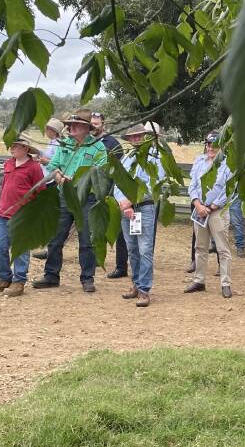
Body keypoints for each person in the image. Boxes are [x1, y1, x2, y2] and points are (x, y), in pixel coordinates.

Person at [31, 109, 106, 293]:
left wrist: (80, 180)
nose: (70, 128)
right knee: (55, 238)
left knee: (86, 240)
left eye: (75, 125)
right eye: (70, 125)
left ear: (86, 128)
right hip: (64, 196)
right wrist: (58, 176)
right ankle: (51, 276)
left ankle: (87, 278)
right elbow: (53, 165)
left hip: (86, 199)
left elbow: (101, 172)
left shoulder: (98, 148)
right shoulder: (64, 144)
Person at [0, 137, 46, 297]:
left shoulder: (34, 168)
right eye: (11, 146)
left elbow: (41, 191)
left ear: (26, 149)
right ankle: (4, 278)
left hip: (23, 215)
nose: (12, 149)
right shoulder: (9, 164)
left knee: (20, 248)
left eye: (16, 146)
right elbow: (5, 185)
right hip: (3, 212)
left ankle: (19, 281)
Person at [115, 123, 166, 307]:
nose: (136, 139)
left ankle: (144, 289)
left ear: (145, 136)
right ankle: (136, 284)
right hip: (126, 210)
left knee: (145, 249)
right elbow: (117, 183)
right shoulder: (126, 158)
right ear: (128, 139)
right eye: (132, 136)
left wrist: (131, 200)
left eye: (139, 135)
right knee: (132, 249)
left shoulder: (155, 157)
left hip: (144, 207)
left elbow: (154, 184)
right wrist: (123, 202)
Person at [184, 131, 234, 298]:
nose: (211, 147)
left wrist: (211, 207)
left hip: (217, 211)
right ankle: (199, 280)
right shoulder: (199, 162)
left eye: (215, 144)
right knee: (200, 246)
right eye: (209, 144)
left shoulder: (227, 164)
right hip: (199, 210)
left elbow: (229, 190)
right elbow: (192, 186)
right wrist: (197, 204)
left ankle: (226, 283)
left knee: (222, 248)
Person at [92, 111, 130, 280]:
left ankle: (121, 266)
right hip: (94, 192)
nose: (94, 127)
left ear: (103, 125)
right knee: (95, 227)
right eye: (91, 124)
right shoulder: (88, 143)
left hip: (111, 193)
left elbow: (120, 170)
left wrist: (116, 193)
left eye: (96, 124)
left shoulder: (112, 144)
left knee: (118, 229)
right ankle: (95, 259)